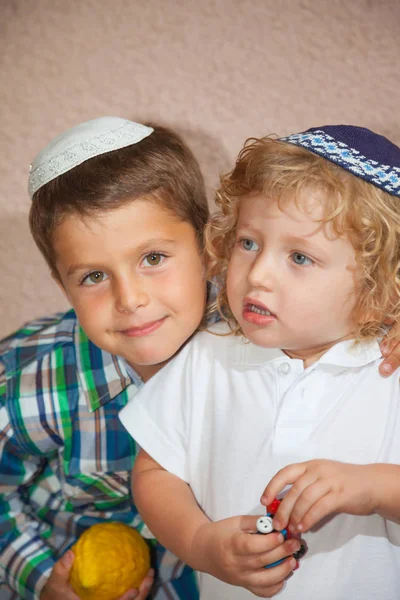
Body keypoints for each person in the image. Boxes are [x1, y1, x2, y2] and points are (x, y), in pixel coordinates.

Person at [120, 124, 400, 600]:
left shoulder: (390, 372)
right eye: (249, 243)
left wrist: (372, 487)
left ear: (378, 291)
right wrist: (199, 543)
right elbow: (155, 471)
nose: (258, 274)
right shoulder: (211, 354)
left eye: (300, 257)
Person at [0, 116, 210, 600]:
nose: (130, 298)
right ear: (62, 285)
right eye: (94, 276)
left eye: (153, 258)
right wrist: (40, 579)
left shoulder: (252, 340)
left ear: (206, 246)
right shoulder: (32, 385)